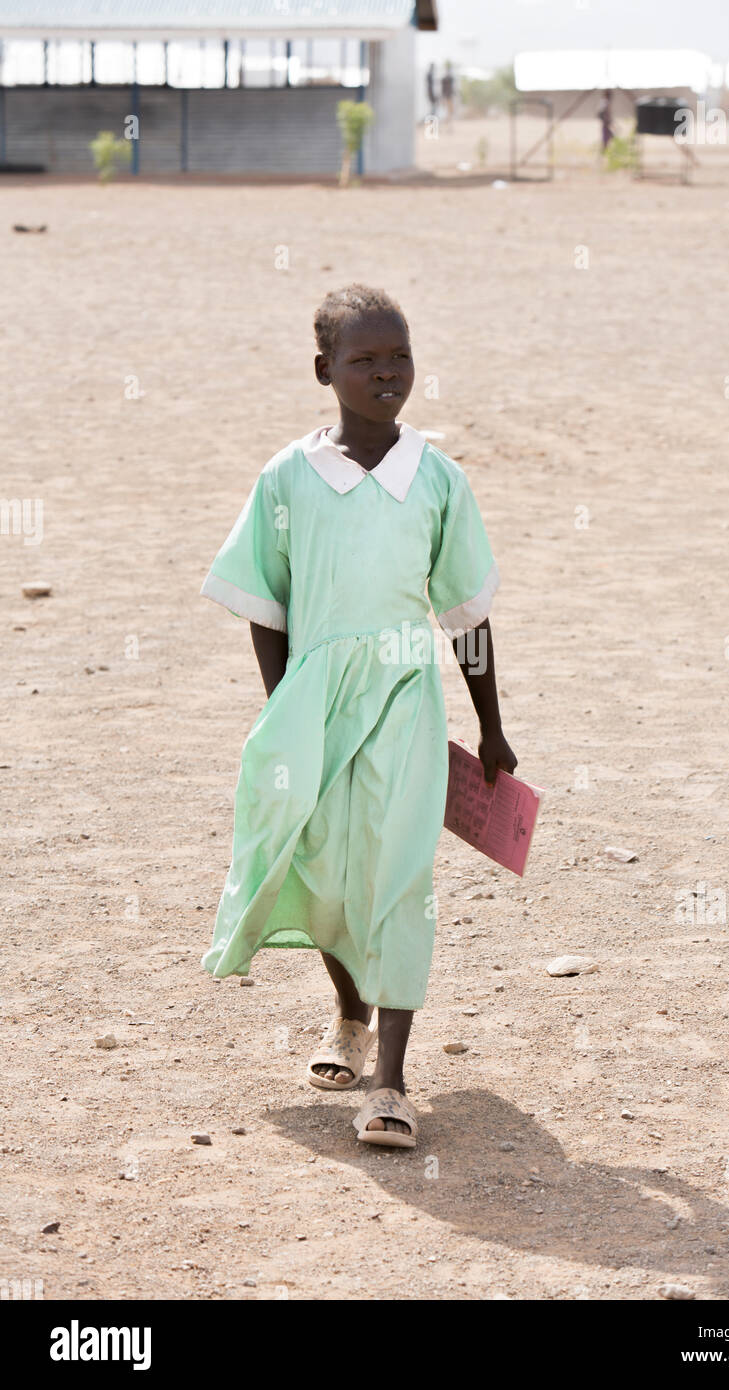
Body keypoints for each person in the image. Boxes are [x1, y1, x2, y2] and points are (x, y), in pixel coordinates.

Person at [200, 284, 516, 1149]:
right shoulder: (287, 479)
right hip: (314, 700)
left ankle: (392, 1083)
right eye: (364, 360)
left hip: (406, 696)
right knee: (328, 863)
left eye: (399, 358)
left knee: (400, 871)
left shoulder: (438, 478)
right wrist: (286, 710)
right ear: (324, 370)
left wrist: (490, 724)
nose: (386, 374)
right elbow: (266, 605)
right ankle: (350, 1015)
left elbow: (466, 615)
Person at [441, 60, 455, 127]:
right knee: (448, 111)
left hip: (449, 96)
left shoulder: (449, 79)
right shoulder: (445, 79)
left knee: (450, 112)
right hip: (447, 97)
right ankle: (447, 124)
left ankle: (449, 124)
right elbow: (443, 89)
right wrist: (443, 98)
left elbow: (451, 88)